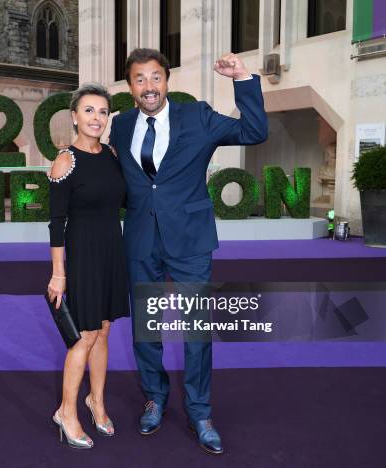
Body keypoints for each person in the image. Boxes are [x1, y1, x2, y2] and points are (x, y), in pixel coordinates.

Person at [108, 48, 268, 455]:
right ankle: (154, 397)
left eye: (155, 77)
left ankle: (200, 411)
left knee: (196, 331)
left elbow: (254, 131)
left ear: (167, 80)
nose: (149, 86)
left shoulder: (197, 116)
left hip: (190, 241)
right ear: (130, 87)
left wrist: (242, 79)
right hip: (141, 239)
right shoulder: (122, 125)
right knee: (147, 331)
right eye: (140, 79)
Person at [47, 83, 130, 449]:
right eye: (89, 111)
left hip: (112, 251)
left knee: (105, 330)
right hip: (82, 256)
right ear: (74, 116)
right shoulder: (66, 160)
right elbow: (56, 223)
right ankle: (66, 410)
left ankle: (96, 400)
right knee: (85, 336)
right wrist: (59, 273)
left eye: (102, 111)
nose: (96, 118)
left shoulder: (111, 155)